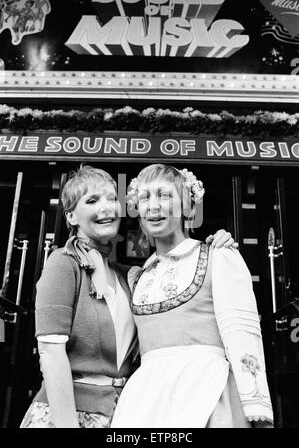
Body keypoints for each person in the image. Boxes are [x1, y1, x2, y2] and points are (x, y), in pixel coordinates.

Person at [20, 165, 236, 428]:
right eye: (92, 200)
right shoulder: (64, 263)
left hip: (119, 415)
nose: (107, 208)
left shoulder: (131, 276)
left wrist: (216, 244)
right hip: (66, 415)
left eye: (112, 199)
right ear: (72, 216)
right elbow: (50, 353)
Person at [111, 164, 274, 428]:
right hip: (147, 399)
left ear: (188, 207)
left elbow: (242, 333)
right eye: (145, 197)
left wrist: (256, 408)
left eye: (164, 195)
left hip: (207, 392)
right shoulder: (139, 276)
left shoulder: (218, 255)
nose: (153, 206)